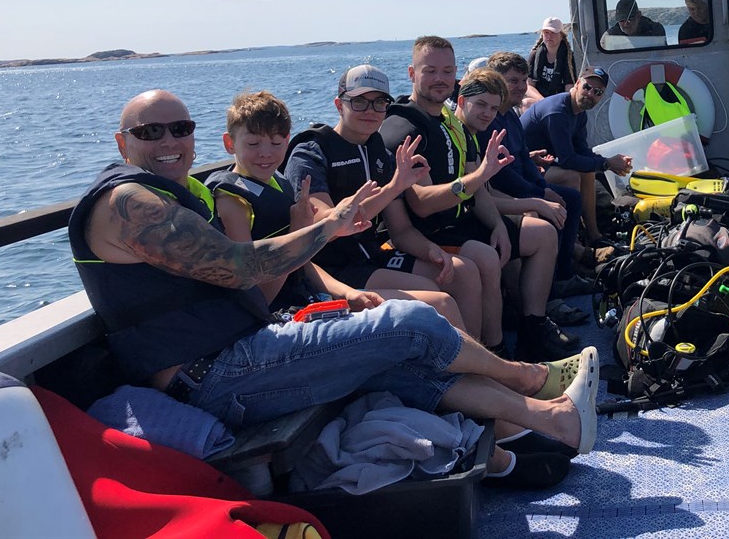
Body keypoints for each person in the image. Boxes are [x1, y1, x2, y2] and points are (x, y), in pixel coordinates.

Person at [67, 89, 602, 487]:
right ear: (122, 142)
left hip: (248, 348)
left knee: (406, 365)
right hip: (212, 375)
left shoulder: (180, 193)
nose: (169, 141)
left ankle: (552, 421)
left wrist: (336, 236)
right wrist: (325, 226)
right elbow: (237, 267)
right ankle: (532, 378)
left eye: (180, 128)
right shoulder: (126, 201)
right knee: (410, 322)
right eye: (150, 132)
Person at [379, 37, 578, 362]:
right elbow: (423, 204)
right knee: (484, 258)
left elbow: (480, 190)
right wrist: (480, 176)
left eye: (447, 71)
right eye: (430, 71)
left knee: (542, 234)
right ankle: (494, 354)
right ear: (412, 73)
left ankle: (532, 333)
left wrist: (498, 224)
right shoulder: (405, 129)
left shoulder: (450, 124)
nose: (440, 78)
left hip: (462, 220)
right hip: (433, 231)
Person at [206, 90, 462, 327]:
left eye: (276, 143)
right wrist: (298, 233)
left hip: (313, 293)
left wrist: (347, 293)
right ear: (230, 144)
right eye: (253, 144)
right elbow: (257, 297)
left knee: (441, 300)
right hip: (277, 318)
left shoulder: (278, 183)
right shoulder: (233, 202)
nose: (266, 154)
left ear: (287, 141)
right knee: (439, 305)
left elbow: (305, 264)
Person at [282, 65, 487, 339]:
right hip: (333, 269)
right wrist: (394, 187)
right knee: (438, 300)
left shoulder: (379, 152)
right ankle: (468, 363)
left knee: (462, 272)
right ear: (339, 105)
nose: (370, 110)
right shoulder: (311, 153)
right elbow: (326, 229)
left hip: (372, 255)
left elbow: (401, 230)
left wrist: (430, 250)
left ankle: (485, 353)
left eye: (379, 102)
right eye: (359, 102)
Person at [484, 52, 591, 301]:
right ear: (495, 81)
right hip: (503, 193)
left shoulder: (511, 115)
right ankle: (549, 293)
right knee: (551, 209)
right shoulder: (489, 121)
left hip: (521, 184)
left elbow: (523, 156)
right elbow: (502, 175)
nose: (522, 87)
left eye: (524, 80)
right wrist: (540, 194)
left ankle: (564, 274)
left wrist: (543, 187)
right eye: (513, 81)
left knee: (571, 198)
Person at [520, 66, 632, 246]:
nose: (590, 94)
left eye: (597, 92)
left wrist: (607, 162)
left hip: (545, 164)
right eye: (587, 87)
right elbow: (567, 159)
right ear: (577, 84)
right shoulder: (557, 112)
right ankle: (573, 242)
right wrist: (607, 164)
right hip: (524, 168)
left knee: (588, 171)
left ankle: (593, 235)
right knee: (571, 176)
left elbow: (582, 151)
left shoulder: (579, 114)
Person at [528, 17, 578, 99]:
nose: (549, 36)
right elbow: (529, 86)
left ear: (561, 35)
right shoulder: (534, 55)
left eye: (553, 33)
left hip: (559, 98)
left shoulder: (569, 57)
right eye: (546, 33)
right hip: (539, 99)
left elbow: (569, 87)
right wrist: (542, 100)